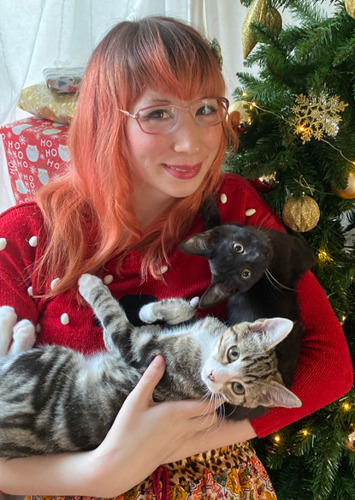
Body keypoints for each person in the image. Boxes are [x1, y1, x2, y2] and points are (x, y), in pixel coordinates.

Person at [0, 16, 352, 500]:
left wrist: (169, 443)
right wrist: (96, 473)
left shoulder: (229, 205)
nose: (193, 142)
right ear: (108, 117)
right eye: (158, 113)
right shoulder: (24, 237)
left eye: (206, 108)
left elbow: (329, 363)